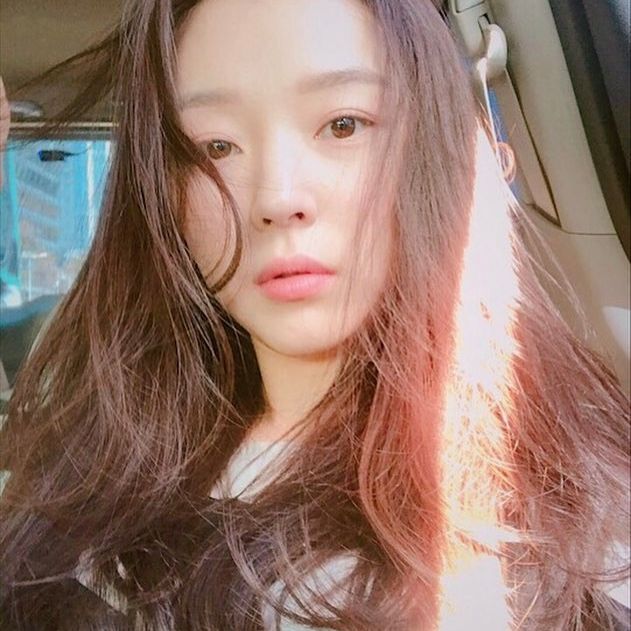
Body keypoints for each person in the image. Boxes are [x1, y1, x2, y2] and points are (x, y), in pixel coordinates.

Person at [0, 1, 629, 629]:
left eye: (343, 125)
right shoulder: (83, 517)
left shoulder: (584, 519)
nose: (278, 198)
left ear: (434, 145)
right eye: (216, 146)